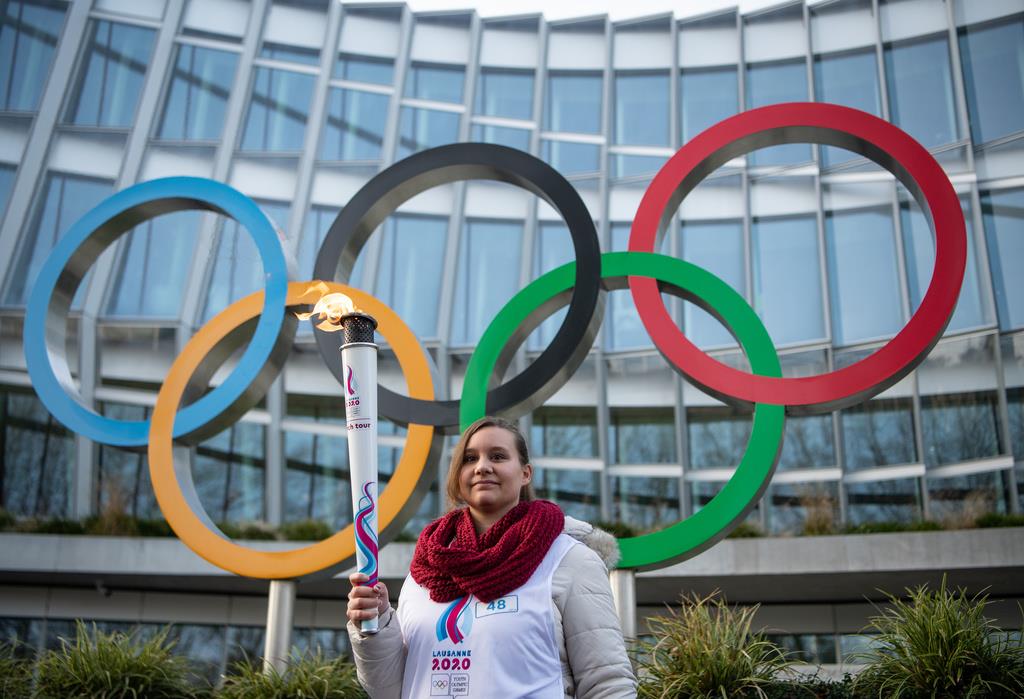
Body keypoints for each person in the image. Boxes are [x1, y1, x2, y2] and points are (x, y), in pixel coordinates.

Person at [347, 416, 637, 698]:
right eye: (470, 458)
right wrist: (376, 623)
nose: (482, 467)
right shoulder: (426, 570)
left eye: (498, 456)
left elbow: (607, 683)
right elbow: (390, 690)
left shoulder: (570, 560)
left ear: (526, 473)